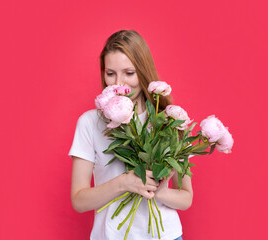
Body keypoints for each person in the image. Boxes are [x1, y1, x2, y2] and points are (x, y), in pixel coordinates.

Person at [69, 30, 193, 240]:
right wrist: (126, 182)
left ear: (143, 72)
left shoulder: (168, 120)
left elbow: (186, 198)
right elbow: (79, 201)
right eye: (110, 73)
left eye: (129, 73)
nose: (119, 83)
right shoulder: (89, 123)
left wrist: (155, 189)